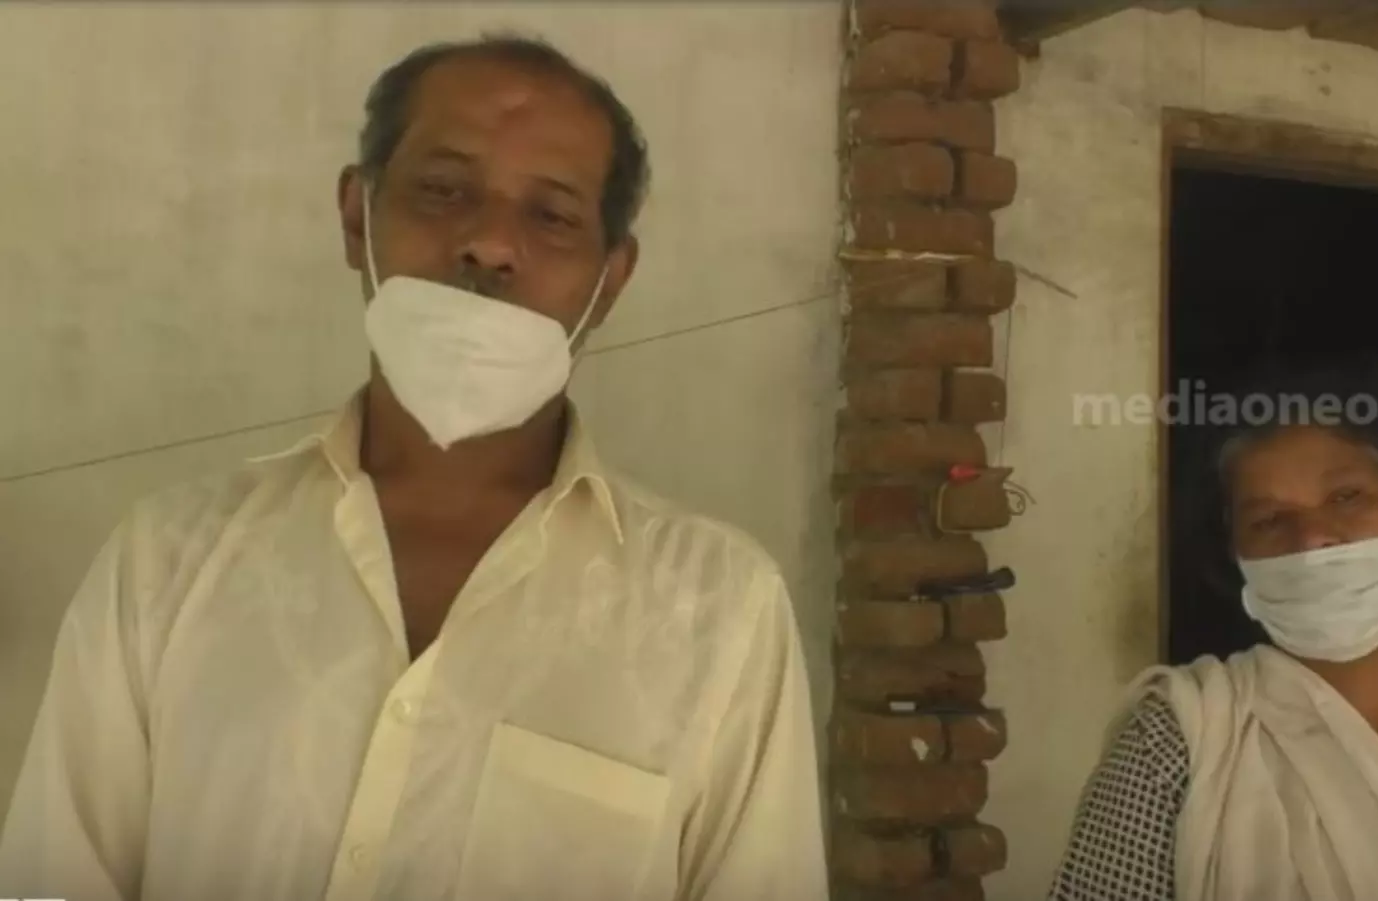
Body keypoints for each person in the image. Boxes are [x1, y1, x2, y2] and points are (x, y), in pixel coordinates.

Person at [0, 33, 829, 901]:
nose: (490, 243)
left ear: (612, 278)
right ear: (356, 216)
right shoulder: (166, 564)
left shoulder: (718, 613)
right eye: (442, 189)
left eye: (551, 215)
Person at [1048, 371, 1378, 901]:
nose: (1311, 539)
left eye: (1346, 496)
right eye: (1268, 520)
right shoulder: (1174, 746)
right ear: (1237, 555)